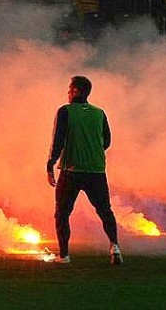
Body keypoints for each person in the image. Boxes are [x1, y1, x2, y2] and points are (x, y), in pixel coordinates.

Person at [45, 76, 122, 265]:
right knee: (105, 210)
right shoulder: (99, 113)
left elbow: (58, 141)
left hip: (71, 171)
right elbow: (107, 141)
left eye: (70, 90)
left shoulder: (65, 111)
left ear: (77, 91)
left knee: (62, 213)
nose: (68, 93)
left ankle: (64, 256)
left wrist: (49, 165)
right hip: (96, 171)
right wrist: (91, 152)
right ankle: (114, 246)